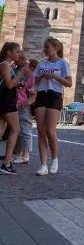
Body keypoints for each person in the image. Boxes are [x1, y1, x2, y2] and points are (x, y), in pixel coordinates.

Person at [34, 38, 72, 176]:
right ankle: (43, 164)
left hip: (54, 95)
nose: (45, 50)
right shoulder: (41, 64)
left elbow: (69, 83)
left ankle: (54, 160)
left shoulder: (63, 63)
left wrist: (55, 76)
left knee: (50, 131)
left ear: (55, 48)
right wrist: (41, 77)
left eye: (47, 47)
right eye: (45, 47)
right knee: (40, 130)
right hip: (41, 95)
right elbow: (35, 82)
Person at [0, 43, 31, 174]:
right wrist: (20, 73)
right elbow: (8, 84)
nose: (18, 54)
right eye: (17, 52)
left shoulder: (7, 65)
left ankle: (6, 163)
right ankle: (6, 163)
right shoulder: (5, 65)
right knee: (15, 130)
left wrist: (17, 83)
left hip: (5, 99)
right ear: (9, 52)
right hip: (6, 101)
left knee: (1, 131)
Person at [13, 58, 37, 165]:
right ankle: (18, 154)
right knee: (18, 131)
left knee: (25, 131)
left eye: (25, 66)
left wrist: (27, 103)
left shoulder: (32, 77)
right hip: (17, 104)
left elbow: (34, 92)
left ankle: (25, 155)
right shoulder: (22, 75)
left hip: (24, 106)